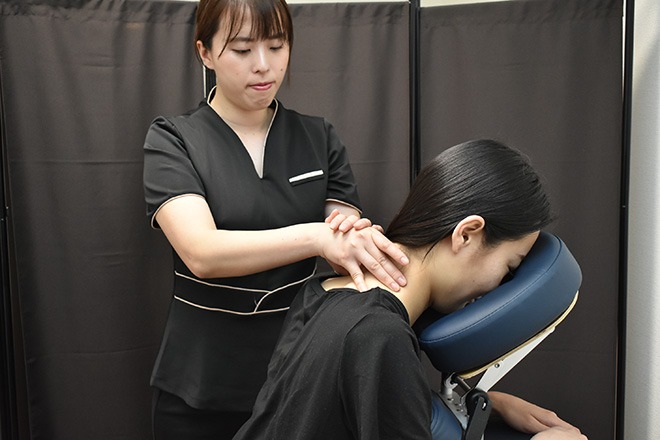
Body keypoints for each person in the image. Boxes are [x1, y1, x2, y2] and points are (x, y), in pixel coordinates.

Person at [142, 0, 409, 437]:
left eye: (277, 45)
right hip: (199, 384)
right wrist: (317, 237)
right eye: (242, 50)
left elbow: (343, 242)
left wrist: (355, 242)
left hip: (298, 378)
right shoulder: (174, 138)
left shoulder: (319, 137)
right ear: (205, 53)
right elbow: (201, 253)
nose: (263, 65)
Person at [232, 140, 588, 440]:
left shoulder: (323, 291)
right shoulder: (378, 335)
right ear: (466, 234)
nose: (497, 288)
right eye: (509, 267)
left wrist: (491, 406)